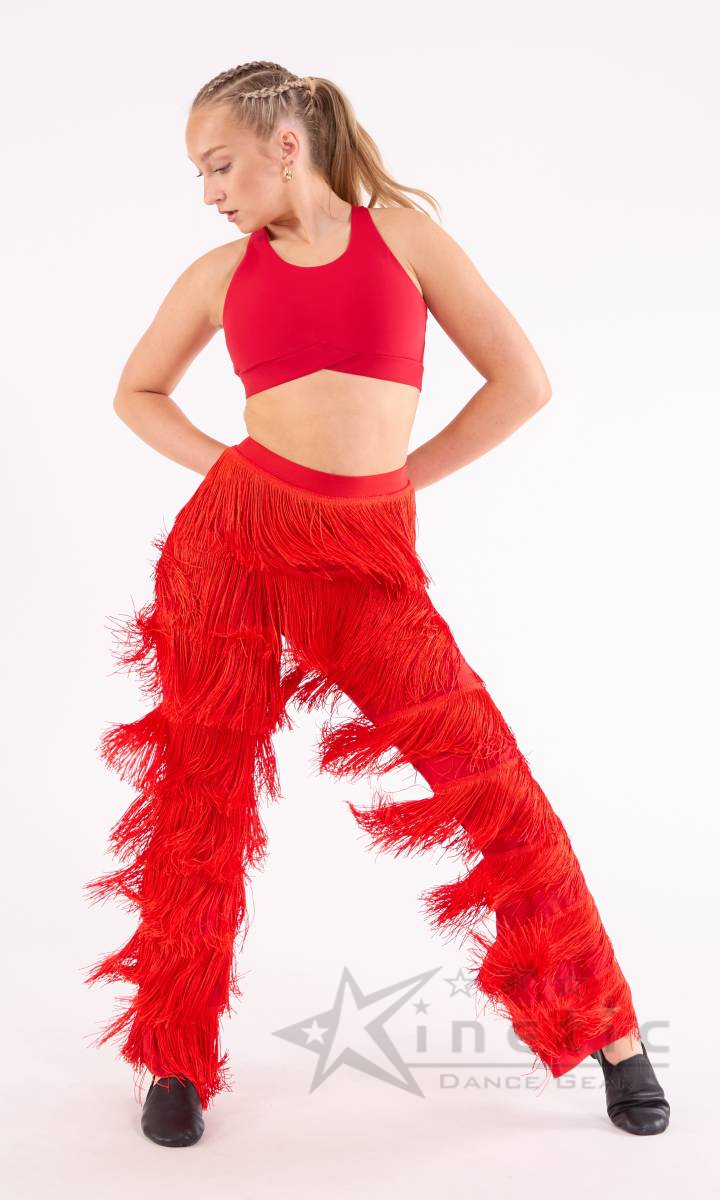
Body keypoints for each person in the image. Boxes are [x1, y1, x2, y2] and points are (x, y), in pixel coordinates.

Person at [82, 62, 670, 1147]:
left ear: (286, 145)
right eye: (199, 174)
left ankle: (613, 1036)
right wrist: (233, 474)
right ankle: (174, 1058)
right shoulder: (220, 273)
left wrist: (399, 482)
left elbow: (523, 381)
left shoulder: (403, 240)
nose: (209, 192)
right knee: (202, 802)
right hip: (231, 551)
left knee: (495, 787)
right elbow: (136, 392)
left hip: (363, 560)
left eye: (220, 165)